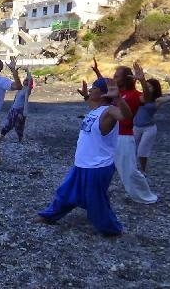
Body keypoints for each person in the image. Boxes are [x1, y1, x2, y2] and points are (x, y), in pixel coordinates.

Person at [34, 78, 131, 236]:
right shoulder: (96, 109)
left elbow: (126, 116)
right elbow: (91, 103)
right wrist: (86, 95)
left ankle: (113, 229)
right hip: (82, 164)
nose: (91, 90)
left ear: (103, 93)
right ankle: (49, 216)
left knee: (96, 201)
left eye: (94, 88)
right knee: (65, 192)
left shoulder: (110, 111)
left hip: (98, 166)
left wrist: (118, 98)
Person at [88, 59, 158, 204]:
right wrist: (97, 72)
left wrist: (142, 81)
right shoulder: (115, 92)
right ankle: (99, 193)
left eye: (117, 76)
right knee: (103, 165)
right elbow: (104, 84)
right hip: (111, 136)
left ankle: (146, 195)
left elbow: (147, 98)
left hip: (125, 136)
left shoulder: (134, 94)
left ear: (126, 78)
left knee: (129, 170)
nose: (114, 78)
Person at [132, 65, 170, 172]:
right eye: (146, 86)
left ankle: (143, 170)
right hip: (136, 127)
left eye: (150, 86)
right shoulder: (140, 96)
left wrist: (169, 82)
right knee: (130, 148)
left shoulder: (158, 100)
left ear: (155, 88)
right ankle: (131, 167)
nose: (147, 88)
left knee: (142, 151)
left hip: (149, 128)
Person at [0, 67, 33, 143]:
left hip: (20, 110)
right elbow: (15, 100)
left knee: (19, 125)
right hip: (13, 109)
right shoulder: (20, 89)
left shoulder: (27, 91)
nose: (25, 81)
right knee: (8, 123)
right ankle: (1, 136)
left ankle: (21, 139)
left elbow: (30, 81)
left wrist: (27, 71)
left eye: (27, 80)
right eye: (25, 80)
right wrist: (11, 108)